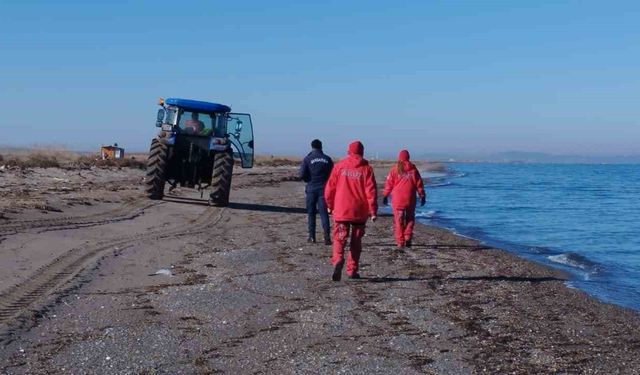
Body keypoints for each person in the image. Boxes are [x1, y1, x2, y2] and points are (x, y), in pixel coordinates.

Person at [324, 140, 377, 281]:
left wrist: (329, 205)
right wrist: (373, 211)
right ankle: (352, 269)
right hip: (359, 211)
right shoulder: (366, 169)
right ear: (362, 152)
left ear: (349, 151)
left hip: (342, 210)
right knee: (356, 241)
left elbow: (330, 188)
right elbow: (370, 192)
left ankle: (338, 259)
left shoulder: (339, 166)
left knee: (339, 238)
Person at [382, 149, 426, 248]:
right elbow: (419, 184)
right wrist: (422, 195)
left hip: (398, 200)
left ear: (399, 158)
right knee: (410, 218)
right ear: (408, 157)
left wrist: (385, 195)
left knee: (398, 220)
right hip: (410, 199)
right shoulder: (413, 170)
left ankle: (400, 241)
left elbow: (389, 184)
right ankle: (407, 236)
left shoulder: (395, 169)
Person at [299, 139, 334, 244]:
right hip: (324, 189)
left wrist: (308, 179)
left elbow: (301, 174)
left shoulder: (307, 159)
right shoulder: (327, 159)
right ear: (321, 147)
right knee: (324, 214)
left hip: (311, 188)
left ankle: (312, 236)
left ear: (312, 147)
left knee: (311, 213)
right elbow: (333, 175)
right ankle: (327, 237)